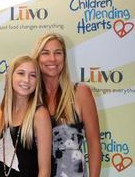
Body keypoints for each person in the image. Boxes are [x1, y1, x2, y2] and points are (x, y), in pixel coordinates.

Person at [32, 33, 101, 177]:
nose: (52, 58)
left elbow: (94, 145)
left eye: (58, 53)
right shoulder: (30, 100)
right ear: (37, 58)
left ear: (64, 58)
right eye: (45, 53)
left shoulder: (80, 93)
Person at [0, 55, 52, 177]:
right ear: (10, 77)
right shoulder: (1, 112)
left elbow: (45, 171)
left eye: (32, 75)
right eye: (21, 73)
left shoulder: (39, 114)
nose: (26, 80)